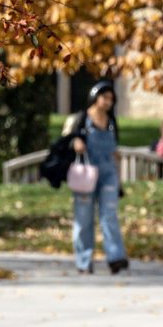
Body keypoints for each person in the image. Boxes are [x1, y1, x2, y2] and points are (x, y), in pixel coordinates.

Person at [48, 79, 128, 275]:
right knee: (84, 218)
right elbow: (65, 140)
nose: (108, 102)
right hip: (85, 174)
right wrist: (76, 141)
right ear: (95, 97)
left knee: (109, 215)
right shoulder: (82, 119)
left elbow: (113, 144)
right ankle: (84, 261)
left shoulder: (111, 122)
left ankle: (116, 257)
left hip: (108, 173)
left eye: (111, 98)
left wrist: (116, 158)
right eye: (104, 97)